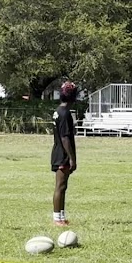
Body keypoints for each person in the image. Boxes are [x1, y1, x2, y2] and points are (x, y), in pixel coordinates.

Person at [51, 81, 79, 226]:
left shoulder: (58, 110)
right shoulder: (65, 113)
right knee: (60, 186)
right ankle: (57, 218)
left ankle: (61, 216)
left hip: (58, 151)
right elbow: (65, 137)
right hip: (62, 154)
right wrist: (72, 159)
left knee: (63, 186)